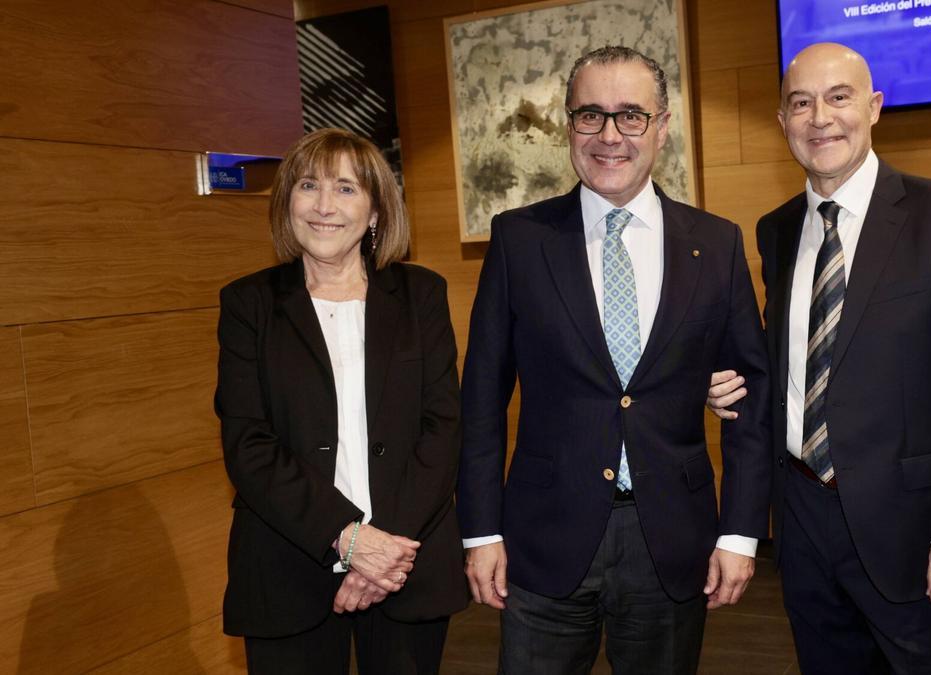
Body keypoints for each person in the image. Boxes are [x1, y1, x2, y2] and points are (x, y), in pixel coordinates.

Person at [455, 46, 772, 674]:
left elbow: (749, 401)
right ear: (567, 125)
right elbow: (482, 400)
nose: (609, 136)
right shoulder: (520, 240)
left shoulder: (716, 243)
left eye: (630, 115)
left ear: (662, 126)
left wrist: (738, 534)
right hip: (542, 537)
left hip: (672, 539)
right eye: (590, 115)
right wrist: (481, 532)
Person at [708, 43, 931, 673]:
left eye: (838, 96)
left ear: (874, 107)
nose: (819, 117)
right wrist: (730, 387)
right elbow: (789, 359)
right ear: (783, 121)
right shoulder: (777, 229)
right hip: (801, 521)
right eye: (801, 102)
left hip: (912, 531)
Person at [215, 128, 468, 674]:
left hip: (407, 562)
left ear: (376, 211)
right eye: (309, 186)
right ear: (287, 203)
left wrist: (381, 553)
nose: (325, 206)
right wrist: (348, 537)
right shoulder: (248, 304)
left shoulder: (421, 294)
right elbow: (248, 443)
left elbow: (442, 427)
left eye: (347, 189)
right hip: (288, 566)